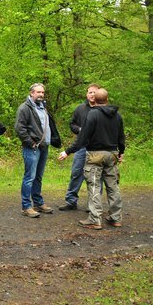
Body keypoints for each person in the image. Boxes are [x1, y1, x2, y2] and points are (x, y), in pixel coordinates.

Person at [58, 89, 125, 229]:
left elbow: (82, 138)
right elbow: (121, 136)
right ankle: (116, 218)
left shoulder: (92, 114)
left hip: (95, 154)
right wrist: (121, 152)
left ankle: (95, 219)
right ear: (107, 99)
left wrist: (68, 151)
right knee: (113, 186)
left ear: (96, 99)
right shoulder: (117, 115)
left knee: (94, 186)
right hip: (112, 154)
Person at [14, 83, 61, 218]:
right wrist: (30, 142)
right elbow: (19, 128)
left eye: (42, 92)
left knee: (38, 177)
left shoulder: (43, 108)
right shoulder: (24, 108)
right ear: (31, 93)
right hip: (32, 148)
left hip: (44, 146)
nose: (41, 95)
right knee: (29, 177)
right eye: (38, 92)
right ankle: (26, 206)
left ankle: (38, 203)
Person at [59, 83, 100, 211]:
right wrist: (80, 130)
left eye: (95, 92)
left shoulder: (103, 109)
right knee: (76, 173)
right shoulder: (80, 108)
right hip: (81, 146)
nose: (92, 94)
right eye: (90, 92)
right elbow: (72, 124)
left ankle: (93, 204)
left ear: (99, 94)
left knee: (96, 176)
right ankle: (71, 201)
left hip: (97, 148)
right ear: (86, 94)